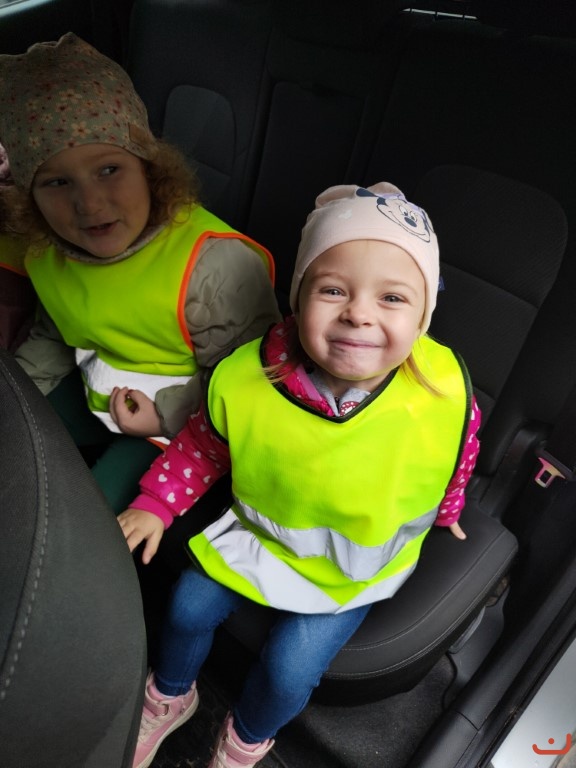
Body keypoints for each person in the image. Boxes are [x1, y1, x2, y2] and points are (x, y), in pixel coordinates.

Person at [118, 182, 481, 768]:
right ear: (298, 297)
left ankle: (247, 736)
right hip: (261, 534)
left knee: (289, 671)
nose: (358, 312)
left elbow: (454, 450)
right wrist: (156, 503)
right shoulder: (247, 379)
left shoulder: (442, 389)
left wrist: (450, 508)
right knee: (185, 608)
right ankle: (171, 694)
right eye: (333, 289)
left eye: (392, 298)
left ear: (423, 316)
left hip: (353, 567)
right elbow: (203, 447)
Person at [0, 33, 280, 512]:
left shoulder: (215, 266)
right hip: (97, 391)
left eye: (109, 170)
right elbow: (54, 329)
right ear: (31, 195)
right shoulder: (46, 251)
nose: (89, 203)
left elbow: (246, 383)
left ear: (150, 169)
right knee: (13, 444)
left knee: (87, 515)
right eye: (57, 182)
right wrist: (17, 396)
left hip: (183, 423)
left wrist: (163, 415)